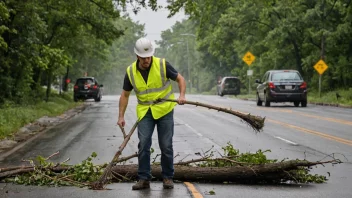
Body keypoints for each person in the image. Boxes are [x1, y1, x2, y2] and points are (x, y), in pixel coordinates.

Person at [117, 37, 186, 190]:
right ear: (137, 56)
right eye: (143, 58)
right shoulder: (130, 72)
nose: (146, 60)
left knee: (166, 145)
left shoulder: (162, 65)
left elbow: (180, 79)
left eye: (148, 57)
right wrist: (121, 116)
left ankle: (168, 177)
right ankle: (144, 178)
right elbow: (125, 95)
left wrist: (181, 95)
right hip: (145, 112)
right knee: (143, 145)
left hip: (164, 109)